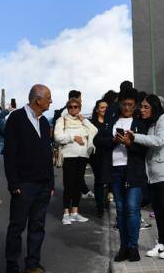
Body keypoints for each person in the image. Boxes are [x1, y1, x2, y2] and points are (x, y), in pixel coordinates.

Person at [3, 84, 56, 273]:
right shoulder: (16, 118)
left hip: (43, 184)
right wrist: (13, 182)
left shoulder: (43, 122)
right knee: (17, 226)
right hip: (24, 184)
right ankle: (11, 270)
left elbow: (47, 153)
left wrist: (50, 182)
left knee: (38, 226)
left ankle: (32, 265)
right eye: (48, 98)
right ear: (37, 100)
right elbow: (9, 153)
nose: (51, 101)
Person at [129, 94, 164, 259]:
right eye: (141, 107)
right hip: (154, 173)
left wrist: (135, 137)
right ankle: (163, 243)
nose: (142, 109)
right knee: (159, 210)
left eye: (146, 107)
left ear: (154, 107)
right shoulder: (152, 122)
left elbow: (159, 140)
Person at [97, 94, 149, 262]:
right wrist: (114, 140)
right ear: (120, 105)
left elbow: (145, 149)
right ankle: (123, 247)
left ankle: (133, 247)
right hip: (115, 170)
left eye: (130, 104)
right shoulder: (111, 122)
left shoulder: (140, 124)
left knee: (132, 208)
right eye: (124, 104)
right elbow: (98, 140)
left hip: (133, 170)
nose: (127, 107)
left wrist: (129, 143)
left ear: (135, 106)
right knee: (120, 209)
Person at [54, 96, 97, 224]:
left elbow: (94, 130)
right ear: (67, 108)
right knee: (69, 185)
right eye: (70, 107)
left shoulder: (83, 121)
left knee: (78, 185)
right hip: (69, 156)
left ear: (80, 108)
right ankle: (66, 214)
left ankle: (75, 212)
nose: (73, 109)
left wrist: (84, 120)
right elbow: (57, 136)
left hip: (82, 156)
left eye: (76, 107)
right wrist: (73, 137)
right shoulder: (62, 120)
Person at [88, 99, 110, 217]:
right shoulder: (92, 123)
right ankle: (99, 207)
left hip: (109, 154)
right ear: (97, 110)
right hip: (96, 155)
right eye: (102, 107)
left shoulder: (111, 121)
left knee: (110, 180)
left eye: (106, 107)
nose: (104, 109)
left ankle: (107, 200)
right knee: (99, 181)